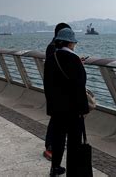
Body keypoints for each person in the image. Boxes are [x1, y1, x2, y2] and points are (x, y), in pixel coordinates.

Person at [44, 28, 89, 176]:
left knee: (58, 139)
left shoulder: (51, 57)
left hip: (56, 108)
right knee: (74, 141)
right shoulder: (74, 59)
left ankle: (54, 168)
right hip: (73, 109)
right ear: (70, 43)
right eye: (73, 43)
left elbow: (48, 83)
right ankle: (73, 171)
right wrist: (83, 108)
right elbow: (80, 83)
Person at [43, 23, 72, 161]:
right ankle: (50, 146)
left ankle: (53, 145)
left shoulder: (53, 46)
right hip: (56, 91)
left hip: (53, 89)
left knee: (56, 119)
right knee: (56, 119)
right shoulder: (53, 48)